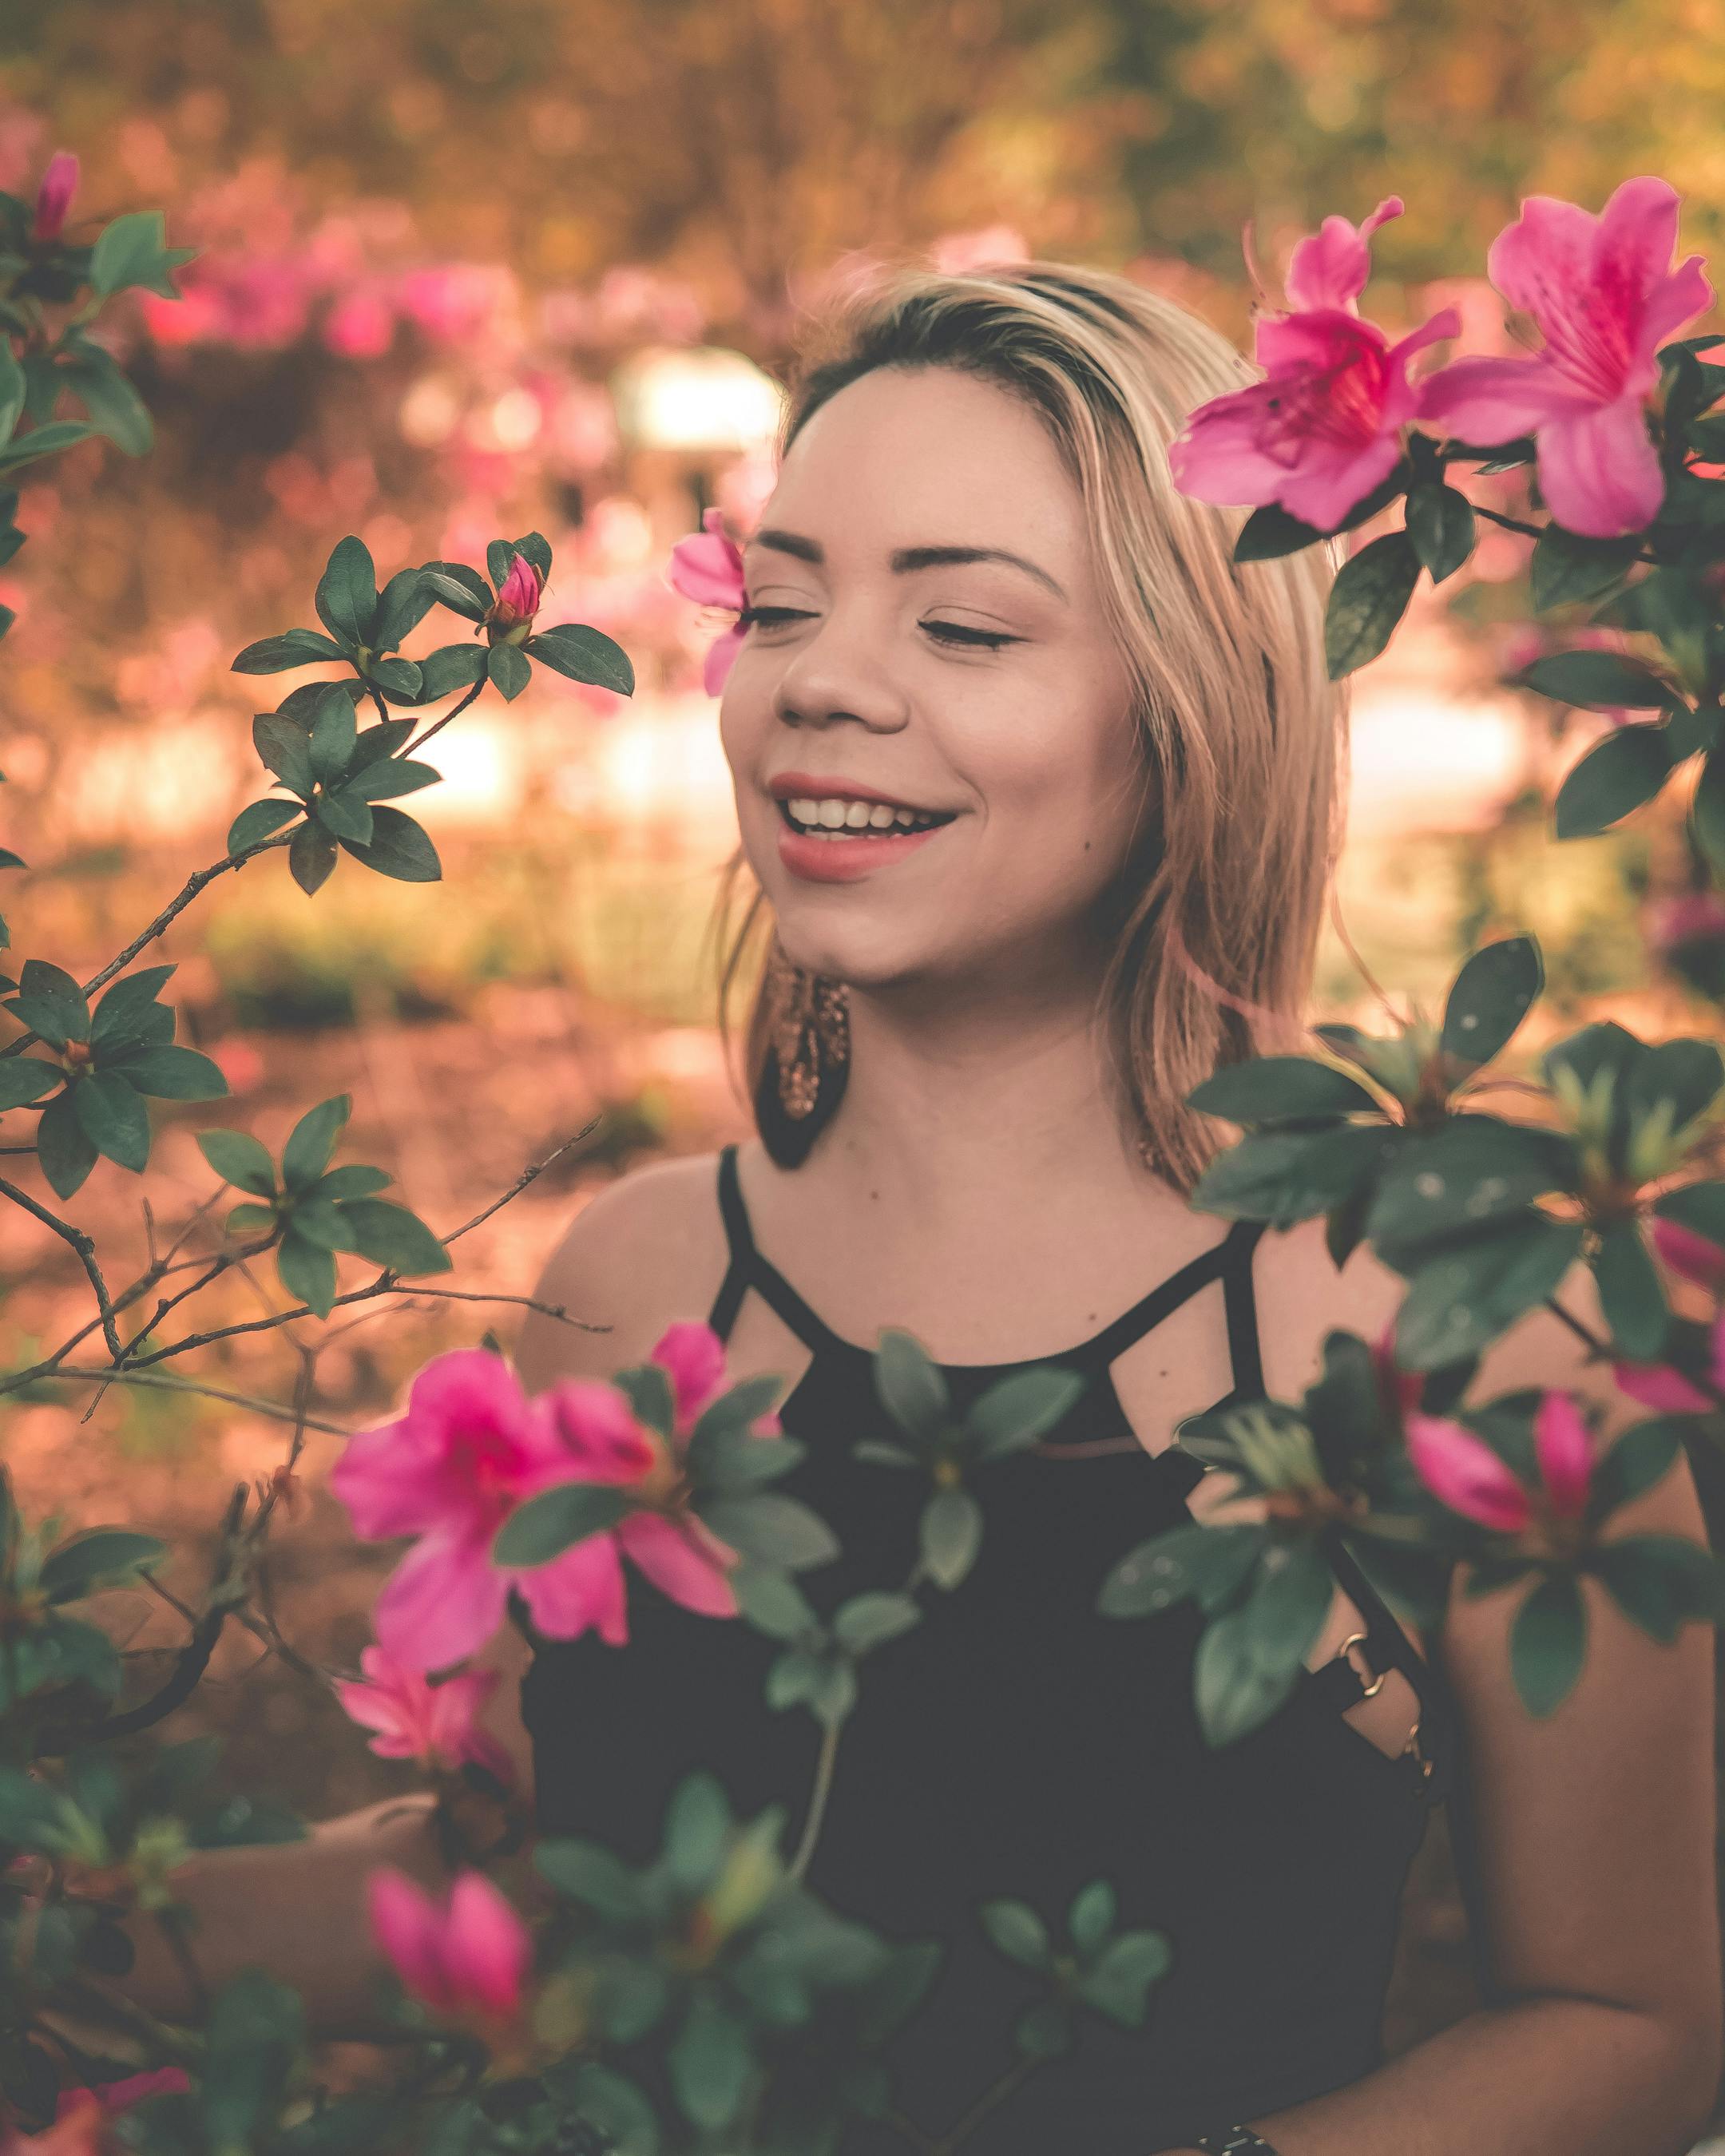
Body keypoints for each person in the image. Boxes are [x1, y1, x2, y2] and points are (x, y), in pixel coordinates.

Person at [81, 263, 1720, 2155]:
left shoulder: (1441, 1315)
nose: (819, 681)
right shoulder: (642, 1279)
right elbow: (533, 1887)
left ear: (1196, 708)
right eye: (782, 606)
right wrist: (69, 1927)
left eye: (961, 623)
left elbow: (1630, 2021)